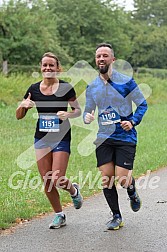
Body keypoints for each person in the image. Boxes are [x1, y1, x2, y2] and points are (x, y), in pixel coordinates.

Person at [83, 43, 147, 230]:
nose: (101, 59)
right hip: (104, 137)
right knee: (106, 178)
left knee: (122, 178)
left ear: (113, 59)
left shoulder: (126, 82)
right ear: (95, 60)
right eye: (98, 56)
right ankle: (116, 216)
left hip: (125, 136)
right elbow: (88, 109)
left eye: (104, 55)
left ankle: (132, 191)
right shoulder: (92, 86)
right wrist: (87, 116)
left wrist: (133, 121)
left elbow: (142, 105)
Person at [16, 52, 83, 229]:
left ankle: (73, 190)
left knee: (58, 177)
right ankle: (59, 215)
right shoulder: (34, 89)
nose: (47, 68)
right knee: (47, 179)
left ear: (57, 68)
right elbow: (18, 116)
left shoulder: (66, 87)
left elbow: (78, 110)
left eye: (51, 65)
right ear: (41, 67)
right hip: (42, 137)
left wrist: (68, 114)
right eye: (44, 65)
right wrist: (23, 106)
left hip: (61, 136)